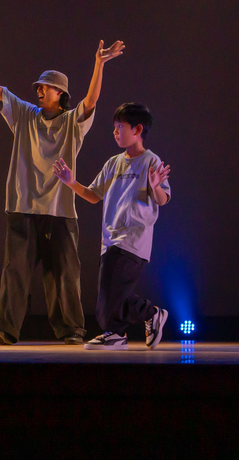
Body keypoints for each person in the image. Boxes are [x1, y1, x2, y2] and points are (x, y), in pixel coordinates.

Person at [0, 36, 124, 345]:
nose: (39, 90)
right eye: (39, 87)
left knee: (63, 275)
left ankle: (71, 330)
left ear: (61, 94)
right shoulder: (25, 114)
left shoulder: (72, 122)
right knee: (14, 271)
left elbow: (91, 101)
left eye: (46, 87)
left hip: (59, 210)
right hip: (23, 207)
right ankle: (5, 329)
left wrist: (99, 63)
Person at [52, 103, 171, 350]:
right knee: (114, 297)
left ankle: (117, 333)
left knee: (107, 300)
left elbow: (162, 199)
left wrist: (156, 186)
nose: (115, 132)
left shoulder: (151, 161)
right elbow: (94, 195)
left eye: (120, 127)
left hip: (133, 239)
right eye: (114, 127)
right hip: (110, 240)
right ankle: (148, 315)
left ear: (137, 129)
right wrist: (71, 182)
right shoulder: (113, 163)